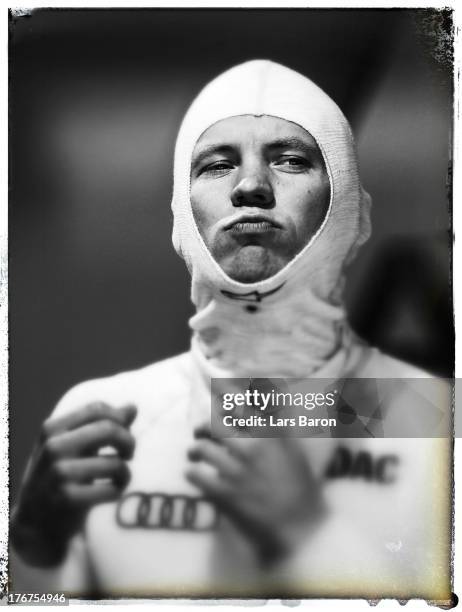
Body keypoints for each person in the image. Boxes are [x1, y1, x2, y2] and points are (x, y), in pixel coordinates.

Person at [10, 60, 451, 600]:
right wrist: (32, 552)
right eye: (217, 165)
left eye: (291, 160)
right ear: (180, 216)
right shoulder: (101, 419)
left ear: (352, 214)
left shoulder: (431, 419)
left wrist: (307, 535)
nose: (250, 185)